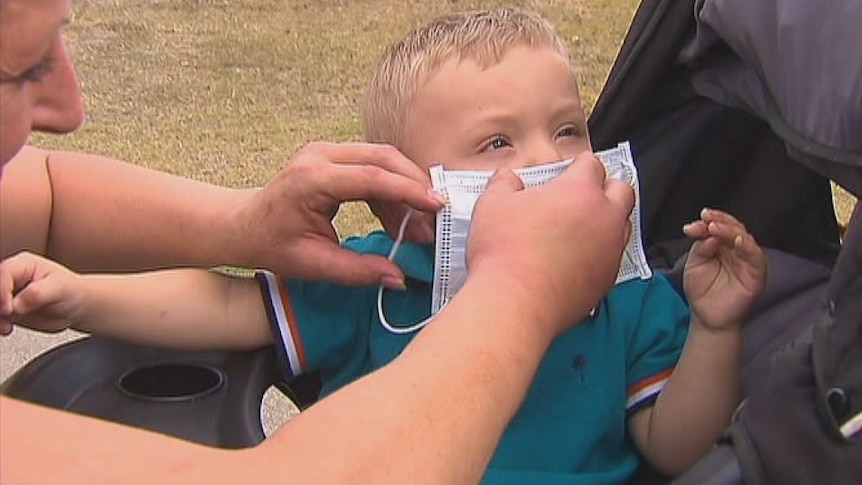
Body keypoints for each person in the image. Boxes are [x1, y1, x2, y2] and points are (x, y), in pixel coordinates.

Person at [1, 8, 767, 484]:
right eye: (497, 141)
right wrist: (83, 295)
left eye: (569, 128)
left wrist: (716, 326)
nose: (550, 160)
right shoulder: (382, 278)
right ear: (409, 192)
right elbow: (229, 305)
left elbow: (674, 443)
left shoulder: (626, 294)